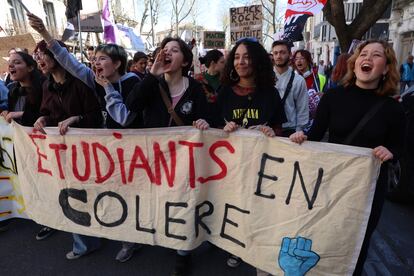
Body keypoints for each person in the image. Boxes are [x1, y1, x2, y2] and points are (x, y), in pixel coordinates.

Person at [27, 11, 146, 263]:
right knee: (110, 194)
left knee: (129, 195)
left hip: (132, 152)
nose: (95, 63)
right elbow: (70, 62)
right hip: (105, 150)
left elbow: (124, 118)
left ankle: (131, 240)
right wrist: (46, 34)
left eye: (102, 58)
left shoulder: (134, 82)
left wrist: (108, 90)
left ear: (117, 63)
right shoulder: (94, 80)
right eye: (93, 58)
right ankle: (119, 235)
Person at [289, 40, 406, 275]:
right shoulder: (333, 97)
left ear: (385, 68)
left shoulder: (393, 108)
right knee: (325, 234)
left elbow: (400, 146)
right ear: (355, 63)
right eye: (364, 54)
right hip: (332, 183)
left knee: (356, 241)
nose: (368, 58)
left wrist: (390, 152)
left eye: (376, 55)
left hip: (369, 190)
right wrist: (301, 137)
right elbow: (315, 135)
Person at [215, 37, 286, 269]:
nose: (241, 62)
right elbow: (212, 129)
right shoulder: (224, 92)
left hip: (260, 167)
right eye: (236, 57)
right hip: (231, 165)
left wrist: (271, 132)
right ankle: (235, 245)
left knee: (256, 207)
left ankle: (255, 246)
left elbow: (279, 128)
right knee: (234, 205)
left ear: (256, 61)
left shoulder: (271, 94)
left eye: (246, 57)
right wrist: (223, 130)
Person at [32, 39, 103, 259]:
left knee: (89, 193)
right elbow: (47, 112)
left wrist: (76, 119)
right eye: (36, 56)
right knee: (69, 193)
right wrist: (42, 118)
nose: (40, 60)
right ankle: (82, 243)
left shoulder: (81, 83)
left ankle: (100, 233)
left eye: (43, 54)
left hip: (86, 150)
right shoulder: (46, 86)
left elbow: (96, 117)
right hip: (61, 151)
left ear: (57, 56)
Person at [272, 40, 309, 137]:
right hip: (268, 130)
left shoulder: (299, 80)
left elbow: (302, 108)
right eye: (275, 53)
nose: (278, 56)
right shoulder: (264, 78)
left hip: (290, 131)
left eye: (282, 52)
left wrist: (299, 130)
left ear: (289, 54)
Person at [293, 49, 327, 130]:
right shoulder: (292, 79)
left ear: (308, 61)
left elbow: (329, 98)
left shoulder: (320, 78)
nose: (298, 61)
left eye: (302, 58)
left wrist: (324, 96)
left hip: (316, 123)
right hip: (297, 123)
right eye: (296, 59)